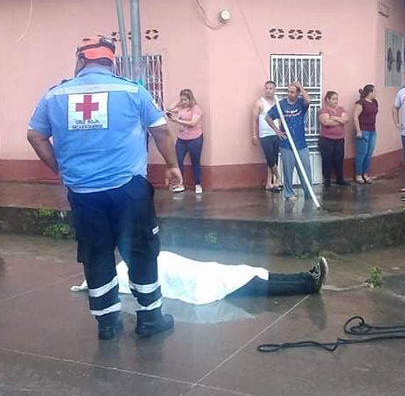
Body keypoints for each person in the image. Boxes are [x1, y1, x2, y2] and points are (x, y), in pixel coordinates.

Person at [27, 35, 182, 341]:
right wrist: (173, 165)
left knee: (96, 253)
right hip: (128, 190)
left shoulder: (54, 96)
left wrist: (60, 169)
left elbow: (35, 136)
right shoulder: (132, 90)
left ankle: (107, 324)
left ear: (81, 60)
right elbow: (161, 130)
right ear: (111, 62)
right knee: (140, 251)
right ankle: (150, 319)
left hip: (83, 193)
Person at [72, 253, 329, 305]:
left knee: (250, 270)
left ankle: (305, 276)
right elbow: (107, 283)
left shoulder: (130, 262)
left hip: (204, 270)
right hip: (200, 281)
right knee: (251, 282)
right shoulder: (122, 272)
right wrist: (88, 285)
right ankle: (308, 284)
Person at [266, 82, 314, 201]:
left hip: (301, 143)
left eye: (292, 92)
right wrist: (277, 131)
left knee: (306, 169)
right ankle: (288, 193)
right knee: (288, 170)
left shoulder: (300, 104)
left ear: (298, 93)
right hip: (286, 144)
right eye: (288, 91)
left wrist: (302, 88)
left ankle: (309, 193)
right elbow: (268, 117)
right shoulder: (281, 104)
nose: (289, 94)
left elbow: (308, 101)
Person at [167, 89, 204, 194]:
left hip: (195, 139)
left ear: (190, 99)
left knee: (195, 161)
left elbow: (193, 123)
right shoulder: (180, 107)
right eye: (182, 100)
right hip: (182, 139)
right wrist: (179, 101)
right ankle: (180, 183)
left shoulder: (196, 109)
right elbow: (169, 109)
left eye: (185, 100)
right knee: (178, 160)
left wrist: (177, 120)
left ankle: (197, 184)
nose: (184, 102)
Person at [252, 81, 282, 192]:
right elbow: (254, 120)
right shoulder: (260, 103)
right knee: (270, 159)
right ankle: (279, 177)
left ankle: (270, 183)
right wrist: (254, 135)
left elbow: (280, 118)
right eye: (266, 88)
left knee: (274, 159)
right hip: (265, 135)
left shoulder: (278, 102)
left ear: (275, 90)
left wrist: (281, 131)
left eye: (270, 88)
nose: (268, 90)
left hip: (276, 134)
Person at [318, 91, 350, 187]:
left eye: (337, 99)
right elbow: (326, 123)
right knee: (327, 159)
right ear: (327, 100)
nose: (336, 101)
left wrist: (334, 118)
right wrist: (340, 121)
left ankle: (340, 179)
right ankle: (327, 180)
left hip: (339, 139)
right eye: (333, 99)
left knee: (339, 159)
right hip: (326, 139)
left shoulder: (341, 109)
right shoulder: (323, 110)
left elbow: (346, 120)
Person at [353, 84, 378, 184]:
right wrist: (358, 131)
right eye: (375, 91)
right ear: (370, 92)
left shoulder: (375, 102)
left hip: (372, 130)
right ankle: (358, 174)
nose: (376, 93)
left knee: (369, 154)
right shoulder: (361, 103)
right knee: (361, 154)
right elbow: (355, 116)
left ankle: (365, 174)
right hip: (363, 130)